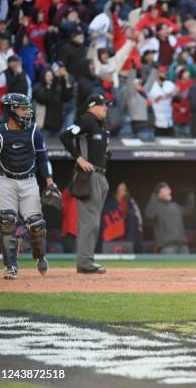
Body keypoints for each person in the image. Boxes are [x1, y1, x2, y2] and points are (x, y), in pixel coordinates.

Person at [0, 93, 59, 280]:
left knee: (36, 225)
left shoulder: (33, 131)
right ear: (10, 110)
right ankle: (10, 266)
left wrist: (50, 182)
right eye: (22, 108)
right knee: (6, 222)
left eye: (26, 108)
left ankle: (40, 257)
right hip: (6, 181)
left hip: (29, 181)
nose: (26, 111)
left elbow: (43, 157)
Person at [60, 94, 111, 274]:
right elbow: (65, 136)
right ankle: (84, 262)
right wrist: (79, 158)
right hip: (88, 176)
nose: (106, 108)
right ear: (92, 106)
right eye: (103, 105)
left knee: (94, 221)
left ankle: (87, 259)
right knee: (89, 221)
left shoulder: (101, 125)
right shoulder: (88, 120)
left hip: (100, 176)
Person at [145, 182, 195, 254]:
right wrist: (154, 194)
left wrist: (190, 195)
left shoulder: (175, 206)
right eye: (166, 189)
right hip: (167, 247)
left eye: (169, 189)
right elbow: (149, 215)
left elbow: (188, 211)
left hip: (182, 245)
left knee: (189, 265)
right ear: (159, 193)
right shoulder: (156, 207)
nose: (169, 191)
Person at [101, 182, 143, 253]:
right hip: (112, 236)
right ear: (117, 188)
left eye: (125, 187)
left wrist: (127, 215)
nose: (124, 188)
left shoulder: (129, 202)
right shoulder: (109, 202)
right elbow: (105, 218)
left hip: (127, 236)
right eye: (122, 186)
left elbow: (135, 217)